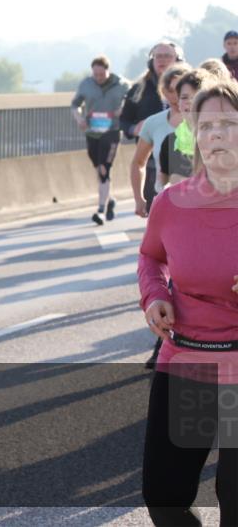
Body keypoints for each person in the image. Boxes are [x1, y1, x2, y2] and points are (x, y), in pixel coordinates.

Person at [137, 79, 238, 526]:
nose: (216, 134)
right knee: (165, 498)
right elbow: (151, 256)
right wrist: (155, 295)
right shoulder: (171, 203)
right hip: (187, 360)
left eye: (228, 124)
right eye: (206, 125)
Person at [122, 42, 186, 211]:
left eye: (167, 56)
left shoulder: (195, 92)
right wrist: (133, 129)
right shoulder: (138, 89)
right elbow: (124, 120)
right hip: (152, 166)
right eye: (158, 56)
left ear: (178, 60)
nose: (162, 60)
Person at [70, 55, 130, 225]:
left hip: (112, 131)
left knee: (104, 168)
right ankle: (109, 199)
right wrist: (79, 118)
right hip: (93, 132)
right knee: (98, 168)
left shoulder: (122, 84)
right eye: (95, 75)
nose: (98, 78)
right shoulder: (86, 84)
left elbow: (133, 100)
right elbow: (75, 104)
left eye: (101, 75)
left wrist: (123, 109)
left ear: (108, 71)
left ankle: (101, 209)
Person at [158, 69, 212, 188]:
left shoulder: (224, 137)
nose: (190, 102)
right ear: (178, 101)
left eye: (196, 97)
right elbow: (163, 187)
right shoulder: (169, 142)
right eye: (184, 97)